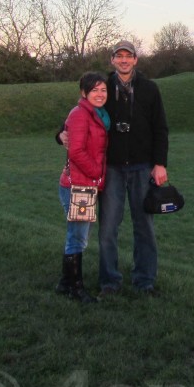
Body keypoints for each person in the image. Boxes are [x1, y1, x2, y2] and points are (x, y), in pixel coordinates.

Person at [99, 40, 169, 296]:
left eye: (129, 56)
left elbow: (160, 128)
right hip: (112, 167)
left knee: (144, 226)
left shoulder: (150, 89)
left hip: (142, 167)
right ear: (113, 60)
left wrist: (160, 164)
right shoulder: (102, 87)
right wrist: (62, 133)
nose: (124, 60)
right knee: (108, 227)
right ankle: (109, 281)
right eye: (120, 56)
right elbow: (82, 114)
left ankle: (144, 280)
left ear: (136, 60)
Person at [55, 71, 110, 305]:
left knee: (77, 235)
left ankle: (65, 283)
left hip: (85, 184)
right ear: (83, 92)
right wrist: (97, 172)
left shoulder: (99, 114)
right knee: (78, 238)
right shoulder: (80, 115)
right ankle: (74, 287)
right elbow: (76, 151)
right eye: (94, 89)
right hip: (79, 186)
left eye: (103, 89)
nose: (100, 94)